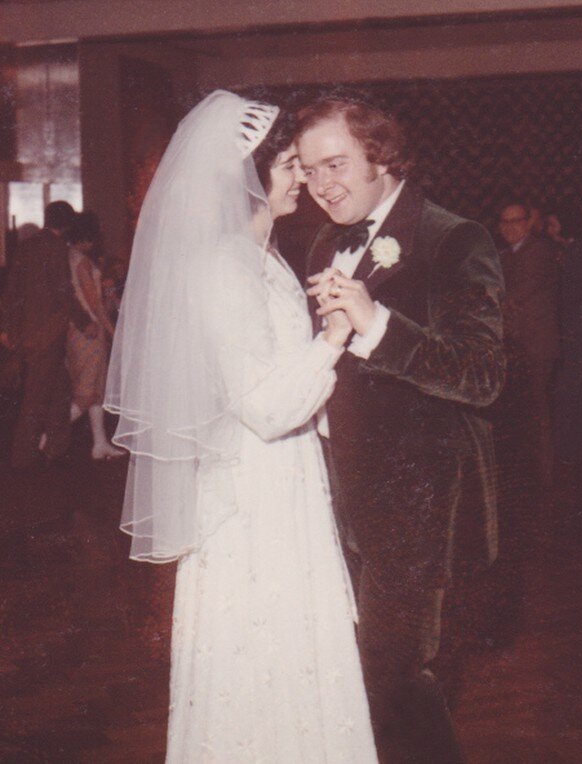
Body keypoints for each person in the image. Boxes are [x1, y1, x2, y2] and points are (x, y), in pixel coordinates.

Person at [104, 90, 377, 762]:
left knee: (295, 655)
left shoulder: (267, 259)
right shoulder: (223, 268)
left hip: (286, 483)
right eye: (288, 165)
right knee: (261, 657)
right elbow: (263, 407)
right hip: (252, 499)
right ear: (247, 178)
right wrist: (336, 335)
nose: (303, 179)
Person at [299, 95, 505, 763]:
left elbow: (481, 375)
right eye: (309, 171)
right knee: (369, 689)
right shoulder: (328, 241)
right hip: (342, 503)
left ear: (383, 158)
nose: (323, 186)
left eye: (335, 164)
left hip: (421, 512)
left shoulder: (455, 239)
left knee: (394, 683)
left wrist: (379, 327)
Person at [1, 201, 95, 468]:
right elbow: (64, 291)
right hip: (48, 334)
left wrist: (6, 328)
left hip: (27, 332)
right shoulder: (56, 249)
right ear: (66, 224)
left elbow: (10, 291)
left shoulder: (26, 246)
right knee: (37, 395)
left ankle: (57, 447)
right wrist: (84, 321)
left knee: (60, 388)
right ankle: (23, 457)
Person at [498, 199, 560, 488]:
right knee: (523, 415)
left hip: (535, 346)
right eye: (504, 222)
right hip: (515, 347)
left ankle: (545, 481)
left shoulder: (539, 251)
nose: (510, 228)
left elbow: (512, 297)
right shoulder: (505, 254)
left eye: (516, 221)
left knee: (537, 413)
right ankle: (529, 479)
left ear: (527, 223)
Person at [545, 207, 582, 468]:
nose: (550, 228)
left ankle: (571, 450)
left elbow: (580, 298)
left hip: (578, 334)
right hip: (573, 332)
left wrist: (573, 332)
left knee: (572, 390)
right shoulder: (570, 250)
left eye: (554, 223)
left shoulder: (577, 252)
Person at [66, 213, 123, 460]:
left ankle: (99, 444)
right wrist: (113, 331)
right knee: (87, 390)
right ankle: (49, 437)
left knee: (96, 389)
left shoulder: (71, 257)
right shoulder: (81, 262)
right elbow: (94, 303)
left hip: (83, 330)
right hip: (88, 331)